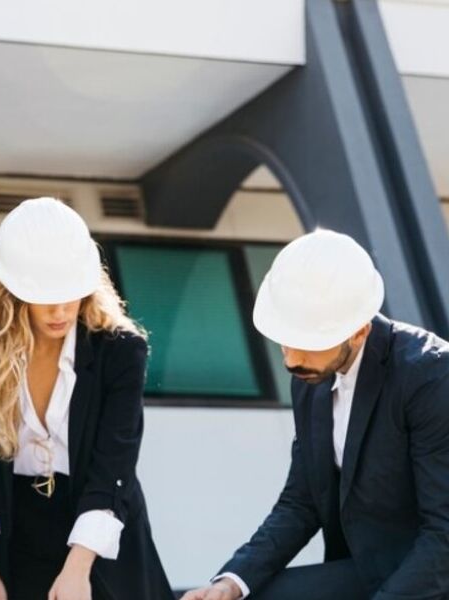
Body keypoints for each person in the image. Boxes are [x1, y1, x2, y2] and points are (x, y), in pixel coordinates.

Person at [182, 229, 449, 600]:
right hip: (364, 570)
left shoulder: (431, 376)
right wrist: (231, 582)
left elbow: (444, 534)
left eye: (308, 343)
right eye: (285, 339)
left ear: (359, 331)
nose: (292, 360)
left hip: (430, 578)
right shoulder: (311, 378)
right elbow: (301, 501)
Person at [0, 197, 175, 600]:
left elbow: (114, 464)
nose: (60, 310)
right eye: (45, 296)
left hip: (103, 531)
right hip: (20, 537)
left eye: (71, 293)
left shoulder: (121, 351)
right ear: (15, 290)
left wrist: (78, 568)